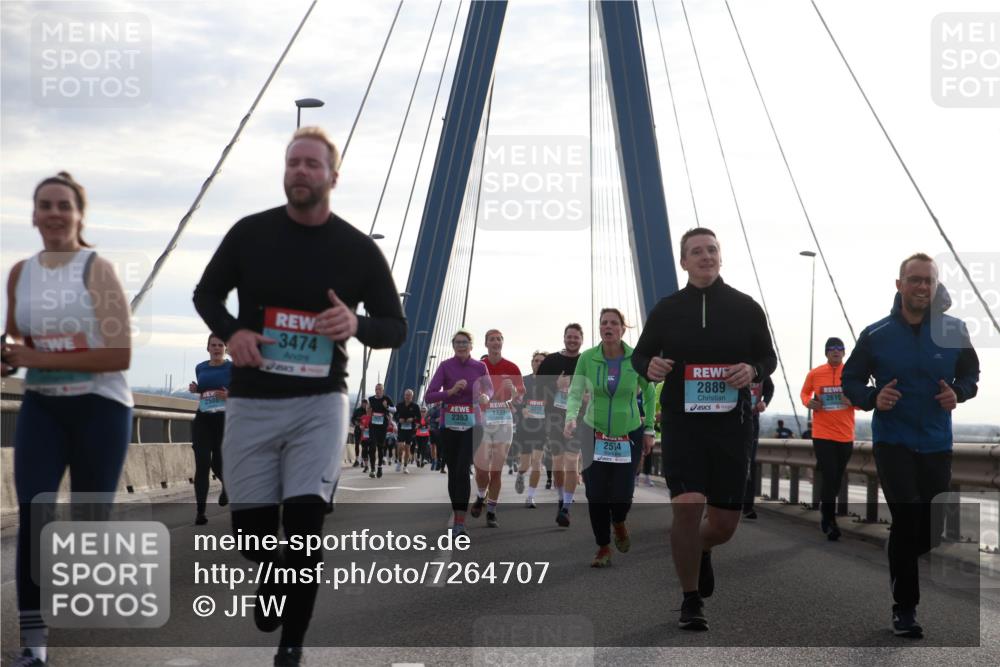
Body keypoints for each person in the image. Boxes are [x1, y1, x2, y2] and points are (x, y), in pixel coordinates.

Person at [192, 126, 406, 666]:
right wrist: (233, 331)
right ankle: (269, 582)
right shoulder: (250, 235)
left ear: (333, 176)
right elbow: (205, 294)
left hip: (319, 405)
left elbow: (395, 327)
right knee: (253, 535)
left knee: (306, 526)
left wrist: (354, 323)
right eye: (293, 163)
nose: (301, 171)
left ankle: (292, 648)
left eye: (312, 164)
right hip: (252, 401)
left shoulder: (356, 250)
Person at [2, 172, 134, 667]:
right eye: (44, 205)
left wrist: (40, 359)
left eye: (64, 205)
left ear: (80, 215)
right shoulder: (19, 273)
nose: (54, 213)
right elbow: (17, 340)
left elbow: (119, 354)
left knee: (89, 527)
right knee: (35, 516)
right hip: (43, 407)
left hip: (101, 408)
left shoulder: (96, 270)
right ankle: (34, 648)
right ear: (33, 216)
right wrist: (9, 357)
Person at [632, 227, 776, 631]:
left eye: (712, 249)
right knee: (688, 505)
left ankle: (703, 550)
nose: (705, 256)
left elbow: (767, 357)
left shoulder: (746, 308)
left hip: (732, 426)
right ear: (684, 261)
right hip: (683, 424)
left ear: (720, 256)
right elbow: (641, 354)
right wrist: (649, 366)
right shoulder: (667, 309)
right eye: (696, 251)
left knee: (724, 525)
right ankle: (690, 599)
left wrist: (754, 369)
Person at [842, 252, 979, 638]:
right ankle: (905, 609)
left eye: (928, 281)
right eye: (914, 279)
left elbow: (971, 375)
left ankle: (899, 553)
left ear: (936, 287)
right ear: (899, 284)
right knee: (907, 519)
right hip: (894, 442)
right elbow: (851, 381)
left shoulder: (953, 330)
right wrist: (872, 398)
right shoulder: (876, 334)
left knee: (932, 529)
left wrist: (959, 392)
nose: (922, 286)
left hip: (937, 442)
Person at [564, 308, 656, 567]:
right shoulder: (587, 358)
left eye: (614, 323)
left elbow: (649, 394)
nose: (608, 327)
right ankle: (603, 547)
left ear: (622, 329)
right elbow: (575, 392)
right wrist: (571, 417)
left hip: (629, 432)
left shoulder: (637, 358)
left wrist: (649, 429)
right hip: (594, 430)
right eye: (604, 322)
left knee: (622, 493)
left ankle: (619, 522)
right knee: (596, 493)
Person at [424, 329, 493, 537]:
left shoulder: (480, 367)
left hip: (473, 425)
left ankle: (460, 523)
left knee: (462, 469)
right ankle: (457, 516)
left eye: (465, 342)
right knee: (453, 472)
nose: (461, 346)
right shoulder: (445, 366)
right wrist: (450, 392)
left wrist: (485, 397)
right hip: (449, 425)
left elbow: (489, 390)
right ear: (453, 346)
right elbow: (429, 397)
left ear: (471, 346)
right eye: (457, 343)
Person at [800, 337, 856, 540]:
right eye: (832, 348)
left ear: (844, 352)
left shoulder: (851, 374)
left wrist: (852, 400)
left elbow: (862, 400)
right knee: (831, 475)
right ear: (826, 352)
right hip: (822, 434)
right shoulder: (815, 373)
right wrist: (809, 403)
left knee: (836, 478)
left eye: (839, 348)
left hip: (845, 435)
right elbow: (805, 393)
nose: (836, 351)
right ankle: (830, 520)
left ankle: (826, 512)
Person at [471, 329, 525, 527]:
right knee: (481, 468)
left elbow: (520, 397)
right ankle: (480, 495)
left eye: (498, 339)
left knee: (496, 470)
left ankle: (491, 511)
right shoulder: (478, 367)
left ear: (502, 343)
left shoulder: (511, 367)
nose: (495, 342)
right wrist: (478, 397)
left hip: (503, 421)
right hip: (482, 421)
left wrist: (513, 393)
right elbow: (469, 392)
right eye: (491, 339)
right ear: (486, 344)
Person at [534, 324, 586, 527]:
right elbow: (537, 389)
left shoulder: (586, 360)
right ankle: (560, 498)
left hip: (578, 418)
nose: (572, 340)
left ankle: (565, 508)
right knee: (557, 463)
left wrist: (589, 395)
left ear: (581, 339)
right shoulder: (552, 361)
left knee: (572, 461)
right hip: (555, 418)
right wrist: (556, 385)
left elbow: (595, 388)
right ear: (564, 338)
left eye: (576, 337)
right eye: (569, 337)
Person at [188, 334, 232, 525]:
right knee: (203, 463)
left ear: (226, 348)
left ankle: (228, 486)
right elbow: (206, 390)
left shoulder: (233, 368)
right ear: (208, 348)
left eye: (220, 345)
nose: (216, 348)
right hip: (203, 419)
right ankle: (200, 512)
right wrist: (196, 389)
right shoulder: (200, 367)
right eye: (213, 345)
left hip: (224, 421)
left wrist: (230, 395)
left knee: (219, 464)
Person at [514, 351, 548, 507]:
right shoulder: (523, 380)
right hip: (525, 425)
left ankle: (530, 497)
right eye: (536, 360)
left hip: (542, 426)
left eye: (542, 361)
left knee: (537, 461)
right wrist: (522, 409)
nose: (538, 363)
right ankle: (520, 474)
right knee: (526, 463)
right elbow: (515, 399)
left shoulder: (550, 382)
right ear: (531, 362)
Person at [742, 374, 774, 519]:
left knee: (749, 464)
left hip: (751, 420)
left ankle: (748, 507)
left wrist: (765, 402)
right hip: (728, 419)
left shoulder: (759, 368)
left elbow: (769, 388)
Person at [367, 383, 395, 478]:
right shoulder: (371, 399)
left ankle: (379, 467)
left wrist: (386, 407)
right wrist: (368, 410)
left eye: (379, 389)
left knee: (380, 447)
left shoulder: (387, 398)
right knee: (372, 446)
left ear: (382, 390)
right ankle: (372, 469)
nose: (377, 391)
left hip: (382, 427)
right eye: (376, 389)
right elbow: (369, 410)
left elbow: (394, 410)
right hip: (373, 426)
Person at [396, 388, 420, 473]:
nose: (407, 397)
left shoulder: (415, 406)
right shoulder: (399, 405)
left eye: (409, 395)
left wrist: (412, 419)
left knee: (407, 448)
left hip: (410, 430)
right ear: (404, 396)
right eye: (406, 395)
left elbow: (419, 418)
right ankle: (399, 461)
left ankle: (405, 466)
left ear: (412, 397)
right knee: (400, 447)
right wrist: (399, 419)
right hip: (401, 429)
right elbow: (395, 415)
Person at [350, 402, 367, 467]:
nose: (364, 405)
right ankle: (357, 460)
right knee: (357, 444)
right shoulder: (357, 410)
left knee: (364, 445)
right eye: (363, 403)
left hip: (365, 431)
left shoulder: (367, 411)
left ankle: (362, 460)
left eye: (365, 404)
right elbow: (352, 419)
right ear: (361, 404)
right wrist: (355, 423)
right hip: (357, 429)